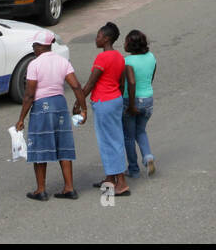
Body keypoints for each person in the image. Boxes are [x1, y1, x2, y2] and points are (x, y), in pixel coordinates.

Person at [15, 29, 86, 201]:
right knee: (64, 145)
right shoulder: (62, 61)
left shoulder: (34, 64)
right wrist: (83, 108)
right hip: (60, 105)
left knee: (40, 147)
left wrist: (21, 118)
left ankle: (41, 190)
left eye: (34, 45)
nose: (33, 48)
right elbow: (76, 85)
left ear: (41, 46)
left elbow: (29, 95)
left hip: (42, 107)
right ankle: (69, 188)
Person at [81, 22, 131, 197]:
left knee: (109, 141)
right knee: (113, 138)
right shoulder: (119, 57)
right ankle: (110, 178)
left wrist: (79, 102)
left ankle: (121, 183)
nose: (97, 39)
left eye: (99, 36)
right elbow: (122, 83)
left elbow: (90, 83)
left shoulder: (102, 58)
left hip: (104, 102)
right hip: (115, 99)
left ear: (106, 38)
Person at [121, 30, 157, 178]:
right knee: (141, 131)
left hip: (132, 101)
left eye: (125, 41)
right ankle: (148, 157)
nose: (123, 44)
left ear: (131, 45)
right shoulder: (151, 57)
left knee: (129, 136)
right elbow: (151, 77)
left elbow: (131, 82)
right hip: (148, 100)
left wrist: (131, 105)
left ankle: (133, 169)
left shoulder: (128, 62)